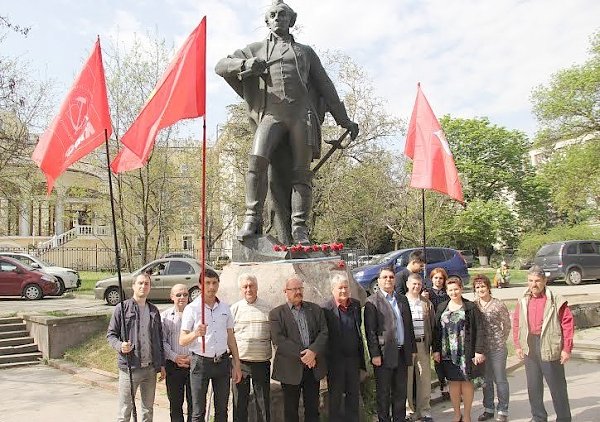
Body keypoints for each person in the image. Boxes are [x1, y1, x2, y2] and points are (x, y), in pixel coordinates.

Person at [215, 0, 359, 245]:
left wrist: (344, 120)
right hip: (271, 115)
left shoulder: (305, 52)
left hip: (301, 116)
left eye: (282, 14)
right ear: (267, 21)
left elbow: (326, 86)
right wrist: (246, 64)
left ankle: (300, 229)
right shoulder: (256, 49)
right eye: (272, 14)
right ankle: (251, 219)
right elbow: (220, 66)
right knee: (256, 161)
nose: (277, 18)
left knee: (301, 175)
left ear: (291, 20)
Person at [179, 268, 243, 422]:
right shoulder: (192, 309)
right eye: (207, 283)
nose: (211, 287)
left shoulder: (225, 308)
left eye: (214, 283)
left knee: (222, 410)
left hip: (222, 363)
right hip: (200, 363)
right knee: (198, 411)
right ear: (200, 285)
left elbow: (231, 338)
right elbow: (182, 340)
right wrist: (195, 333)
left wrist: (237, 364)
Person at [512, 265, 573, 422]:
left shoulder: (556, 300)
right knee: (534, 386)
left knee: (557, 387)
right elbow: (517, 322)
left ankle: (564, 418)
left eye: (537, 281)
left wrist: (566, 349)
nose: (534, 284)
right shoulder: (523, 299)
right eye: (531, 281)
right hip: (530, 346)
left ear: (545, 281)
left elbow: (567, 324)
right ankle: (538, 417)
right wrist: (518, 345)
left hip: (549, 345)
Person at [107, 273, 166, 422]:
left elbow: (159, 339)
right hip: (130, 368)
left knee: (148, 410)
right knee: (125, 409)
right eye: (140, 283)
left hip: (150, 369)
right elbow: (111, 335)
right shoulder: (122, 308)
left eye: (146, 284)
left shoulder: (154, 311)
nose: (143, 286)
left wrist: (162, 364)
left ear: (150, 287)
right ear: (133, 286)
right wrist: (120, 346)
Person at [270, 275, 329, 422]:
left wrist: (313, 351)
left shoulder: (315, 309)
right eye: (293, 289)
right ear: (286, 291)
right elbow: (279, 340)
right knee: (290, 411)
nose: (297, 292)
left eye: (300, 288)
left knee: (313, 409)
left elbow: (324, 332)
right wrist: (305, 355)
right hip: (290, 369)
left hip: (312, 368)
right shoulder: (277, 314)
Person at [364, 266, 417, 422]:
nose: (388, 280)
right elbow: (370, 331)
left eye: (391, 277)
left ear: (395, 280)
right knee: (384, 393)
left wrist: (412, 348)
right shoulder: (372, 302)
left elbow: (409, 326)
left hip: (402, 352)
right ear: (379, 281)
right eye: (385, 277)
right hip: (384, 354)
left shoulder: (402, 299)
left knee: (400, 392)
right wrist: (374, 354)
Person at [432, 277, 485, 422]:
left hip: (465, 351)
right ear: (446, 291)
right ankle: (457, 414)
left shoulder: (471, 307)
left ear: (461, 289)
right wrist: (435, 350)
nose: (453, 292)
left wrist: (479, 351)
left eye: (456, 289)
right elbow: (436, 330)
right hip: (447, 352)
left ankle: (467, 415)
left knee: (467, 383)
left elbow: (480, 329)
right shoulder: (442, 307)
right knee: (453, 383)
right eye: (450, 290)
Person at [321, 273, 365, 422]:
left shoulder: (355, 305)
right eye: (340, 288)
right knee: (335, 398)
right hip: (335, 361)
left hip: (353, 359)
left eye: (346, 287)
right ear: (333, 289)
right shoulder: (326, 309)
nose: (343, 291)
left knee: (353, 395)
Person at [230, 273, 273, 422]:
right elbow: (229, 337)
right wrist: (234, 363)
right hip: (240, 363)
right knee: (239, 404)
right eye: (245, 286)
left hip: (262, 363)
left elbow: (274, 336)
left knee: (263, 404)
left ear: (257, 287)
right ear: (241, 289)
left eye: (251, 286)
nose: (249, 289)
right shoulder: (234, 309)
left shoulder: (268, 308)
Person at [472, 274, 511, 422]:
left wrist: (501, 339)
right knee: (486, 380)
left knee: (500, 379)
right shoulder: (474, 305)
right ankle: (488, 409)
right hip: (482, 350)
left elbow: (507, 324)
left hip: (497, 348)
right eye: (477, 287)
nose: (481, 289)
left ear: (488, 287)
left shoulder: (498, 304)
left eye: (483, 286)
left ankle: (503, 410)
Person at [405, 273, 435, 422]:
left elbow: (432, 326)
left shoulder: (426, 303)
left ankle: (425, 410)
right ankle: (409, 411)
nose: (416, 287)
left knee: (424, 378)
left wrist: (433, 347)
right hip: (408, 346)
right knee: (407, 378)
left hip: (423, 344)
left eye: (419, 284)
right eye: (414, 284)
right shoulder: (402, 301)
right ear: (407, 284)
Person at [161, 284, 193, 422]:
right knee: (175, 405)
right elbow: (162, 341)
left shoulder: (195, 314)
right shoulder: (165, 317)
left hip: (193, 365)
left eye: (185, 295)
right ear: (172, 297)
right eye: (178, 295)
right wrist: (175, 357)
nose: (182, 297)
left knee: (195, 405)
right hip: (173, 366)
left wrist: (193, 357)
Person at [424, 268, 450, 400]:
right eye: (436, 278)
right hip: (433, 329)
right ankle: (442, 384)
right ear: (431, 279)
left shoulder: (447, 293)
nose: (438, 281)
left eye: (441, 278)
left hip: (447, 329)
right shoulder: (427, 293)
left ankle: (451, 384)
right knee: (437, 357)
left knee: (448, 358)